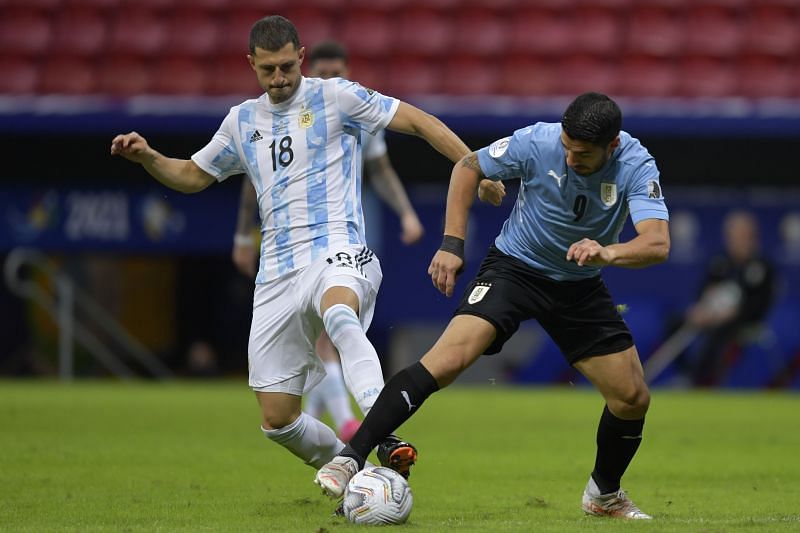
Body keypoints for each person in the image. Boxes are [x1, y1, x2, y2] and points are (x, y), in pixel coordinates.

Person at [110, 15, 493, 487]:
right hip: (276, 273)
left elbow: (419, 121)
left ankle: (383, 430)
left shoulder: (336, 96)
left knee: (339, 314)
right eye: (268, 70)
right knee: (277, 419)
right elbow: (191, 176)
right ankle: (364, 480)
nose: (279, 78)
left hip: (338, 247)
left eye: (287, 67)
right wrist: (148, 157)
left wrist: (475, 167)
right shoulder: (241, 120)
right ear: (251, 64)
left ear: (302, 57)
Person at [315, 92, 670, 521]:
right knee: (448, 361)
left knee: (632, 397)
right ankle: (349, 457)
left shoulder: (635, 162)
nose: (571, 158)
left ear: (611, 146)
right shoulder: (538, 142)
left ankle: (604, 495)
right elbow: (468, 168)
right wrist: (451, 244)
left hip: (579, 282)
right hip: (514, 269)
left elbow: (657, 242)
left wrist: (607, 253)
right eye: (567, 147)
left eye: (583, 154)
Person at [230, 40, 424, 443]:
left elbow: (381, 170)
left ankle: (346, 419)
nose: (332, 79)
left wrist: (406, 212)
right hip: (289, 250)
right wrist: (243, 236)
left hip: (346, 236)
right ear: (309, 68)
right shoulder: (268, 119)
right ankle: (342, 420)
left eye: (340, 71)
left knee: (335, 322)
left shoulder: (352, 107)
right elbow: (253, 184)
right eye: (326, 72)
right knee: (327, 333)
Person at [677, 210, 776, 385]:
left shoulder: (762, 266)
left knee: (719, 334)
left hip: (743, 321)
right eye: (732, 236)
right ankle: (686, 374)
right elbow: (704, 290)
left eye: (741, 236)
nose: (736, 240)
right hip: (712, 315)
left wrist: (734, 312)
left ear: (752, 237)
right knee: (675, 322)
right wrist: (701, 309)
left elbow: (761, 304)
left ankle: (702, 382)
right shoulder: (720, 261)